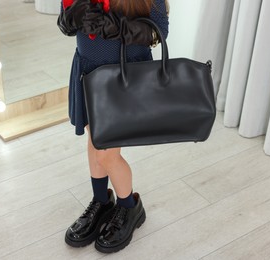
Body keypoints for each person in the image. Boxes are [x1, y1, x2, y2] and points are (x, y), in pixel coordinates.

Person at [58, 0, 169, 253]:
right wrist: (74, 16)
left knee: (107, 153)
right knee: (95, 140)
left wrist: (111, 26)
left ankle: (130, 207)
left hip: (124, 77)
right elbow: (65, 23)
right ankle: (101, 201)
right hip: (88, 70)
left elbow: (158, 31)